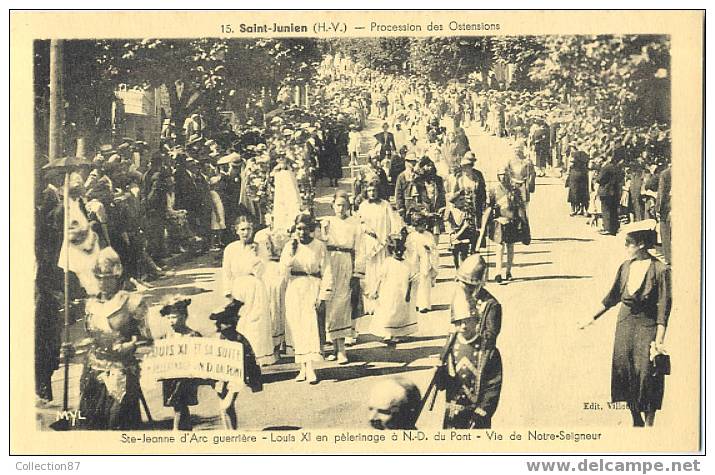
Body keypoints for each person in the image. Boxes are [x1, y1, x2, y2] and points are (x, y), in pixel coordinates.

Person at [579, 220, 671, 427]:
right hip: (625, 324)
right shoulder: (625, 267)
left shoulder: (661, 270)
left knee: (648, 373)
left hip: (647, 326)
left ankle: (649, 423)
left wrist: (659, 341)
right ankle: (635, 419)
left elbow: (664, 309)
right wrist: (591, 318)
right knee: (625, 371)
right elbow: (612, 297)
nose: (626, 246)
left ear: (640, 244)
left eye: (628, 242)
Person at [78, 247, 149, 430]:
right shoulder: (91, 304)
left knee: (117, 422)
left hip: (122, 371)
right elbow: (91, 337)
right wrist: (72, 349)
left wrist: (130, 346)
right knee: (89, 424)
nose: (102, 283)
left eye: (107, 278)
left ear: (117, 276)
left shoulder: (133, 302)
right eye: (99, 278)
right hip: (93, 370)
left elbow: (146, 342)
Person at [436, 254, 502, 429]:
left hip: (477, 363)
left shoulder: (492, 305)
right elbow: (454, 329)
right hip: (455, 403)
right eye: (463, 283)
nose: (464, 288)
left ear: (478, 283)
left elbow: (490, 337)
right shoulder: (458, 297)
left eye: (469, 285)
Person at [281, 213, 333, 384]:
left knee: (310, 327)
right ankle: (302, 367)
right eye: (298, 229)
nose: (301, 232)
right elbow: (282, 271)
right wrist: (291, 255)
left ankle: (310, 368)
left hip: (312, 287)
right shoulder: (289, 246)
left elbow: (326, 271)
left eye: (305, 229)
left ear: (311, 229)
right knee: (297, 327)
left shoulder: (319, 246)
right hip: (295, 288)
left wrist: (323, 295)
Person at [222, 215, 276, 365]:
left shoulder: (259, 247)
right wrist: (228, 292)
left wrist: (254, 255)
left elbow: (261, 271)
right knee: (241, 324)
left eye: (249, 229)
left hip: (255, 287)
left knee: (256, 323)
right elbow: (226, 272)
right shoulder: (230, 249)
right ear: (236, 231)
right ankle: (242, 361)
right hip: (238, 288)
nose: (246, 232)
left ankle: (259, 358)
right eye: (242, 229)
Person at [319, 191, 360, 364]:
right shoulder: (327, 223)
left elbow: (359, 247)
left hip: (345, 262)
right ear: (333, 206)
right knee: (329, 304)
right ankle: (334, 347)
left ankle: (342, 349)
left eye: (344, 205)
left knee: (342, 304)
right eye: (338, 205)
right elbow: (321, 243)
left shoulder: (354, 223)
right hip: (329, 261)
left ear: (348, 206)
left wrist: (357, 272)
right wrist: (324, 232)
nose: (340, 208)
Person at [155, 295, 204, 431]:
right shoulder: (166, 337)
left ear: (183, 316)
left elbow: (202, 355)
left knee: (180, 406)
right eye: (169, 317)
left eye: (174, 317)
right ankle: (186, 431)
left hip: (186, 378)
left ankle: (177, 433)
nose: (171, 321)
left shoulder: (192, 335)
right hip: (171, 377)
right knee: (179, 407)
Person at [357, 177, 402, 314]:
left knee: (383, 272)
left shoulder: (385, 205)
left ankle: (384, 303)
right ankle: (371, 305)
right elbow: (360, 222)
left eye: (374, 190)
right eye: (369, 191)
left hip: (383, 243)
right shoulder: (363, 206)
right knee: (371, 273)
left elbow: (394, 221)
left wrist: (393, 236)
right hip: (370, 243)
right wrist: (366, 230)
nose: (372, 193)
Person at [369, 233, 418, 346]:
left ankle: (395, 333)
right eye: (396, 251)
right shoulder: (388, 262)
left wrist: (408, 293)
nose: (399, 253)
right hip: (388, 292)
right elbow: (379, 278)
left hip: (402, 292)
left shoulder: (407, 264)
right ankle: (387, 334)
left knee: (399, 312)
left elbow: (411, 279)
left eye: (400, 250)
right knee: (387, 312)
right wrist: (375, 291)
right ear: (392, 251)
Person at [254, 213, 290, 357]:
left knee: (283, 307)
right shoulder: (260, 235)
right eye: (270, 217)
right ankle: (273, 344)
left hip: (281, 269)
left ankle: (284, 342)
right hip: (267, 271)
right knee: (271, 308)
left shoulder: (287, 234)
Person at [488, 169, 529, 284]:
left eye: (504, 175)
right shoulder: (494, 190)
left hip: (511, 221)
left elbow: (520, 207)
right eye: (500, 175)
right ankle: (498, 272)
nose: (502, 178)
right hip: (499, 221)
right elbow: (489, 207)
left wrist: (522, 221)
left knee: (510, 247)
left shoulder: (514, 190)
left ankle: (508, 271)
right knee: (499, 247)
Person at [405, 208, 438, 313]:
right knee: (415, 283)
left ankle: (424, 305)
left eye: (424, 224)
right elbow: (408, 249)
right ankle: (415, 304)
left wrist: (430, 249)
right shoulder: (411, 236)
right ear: (415, 225)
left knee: (424, 282)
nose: (423, 227)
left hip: (425, 261)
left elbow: (434, 248)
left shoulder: (428, 235)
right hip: (414, 261)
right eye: (420, 224)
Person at [565, 150, 590, 216]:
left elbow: (569, 173)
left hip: (576, 180)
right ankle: (583, 210)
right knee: (582, 195)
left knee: (575, 195)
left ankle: (577, 210)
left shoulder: (574, 165)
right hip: (578, 180)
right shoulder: (583, 166)